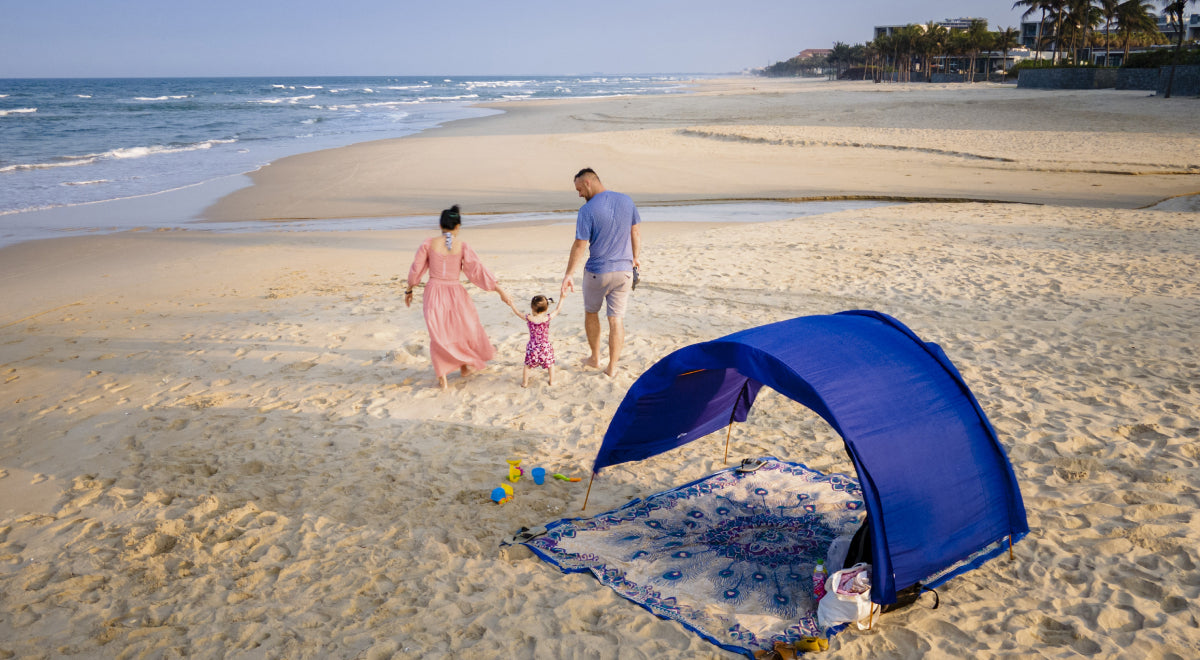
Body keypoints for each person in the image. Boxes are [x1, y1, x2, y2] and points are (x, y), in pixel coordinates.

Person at [406, 205, 511, 389]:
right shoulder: (462, 246)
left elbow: (416, 269)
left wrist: (410, 288)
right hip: (455, 292)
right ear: (458, 227)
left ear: (440, 225)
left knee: (438, 333)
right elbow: (476, 270)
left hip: (434, 291)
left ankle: (444, 376)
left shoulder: (428, 244)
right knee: (462, 329)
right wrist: (499, 289)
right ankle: (464, 366)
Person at [560, 168, 641, 377]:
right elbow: (635, 231)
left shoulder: (587, 210)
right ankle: (612, 367)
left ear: (588, 182)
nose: (579, 194)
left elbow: (580, 244)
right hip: (624, 271)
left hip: (598, 272)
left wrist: (569, 274)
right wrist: (635, 258)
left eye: (579, 189)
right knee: (616, 320)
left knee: (591, 313)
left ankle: (595, 358)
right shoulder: (626, 200)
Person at [505, 293, 566, 387]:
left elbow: (517, 313)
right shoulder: (547, 318)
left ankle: (525, 383)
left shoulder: (529, 318)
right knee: (550, 365)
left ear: (532, 308)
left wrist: (512, 304)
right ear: (546, 308)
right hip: (545, 348)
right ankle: (552, 381)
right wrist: (562, 297)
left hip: (533, 348)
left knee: (527, 365)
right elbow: (557, 310)